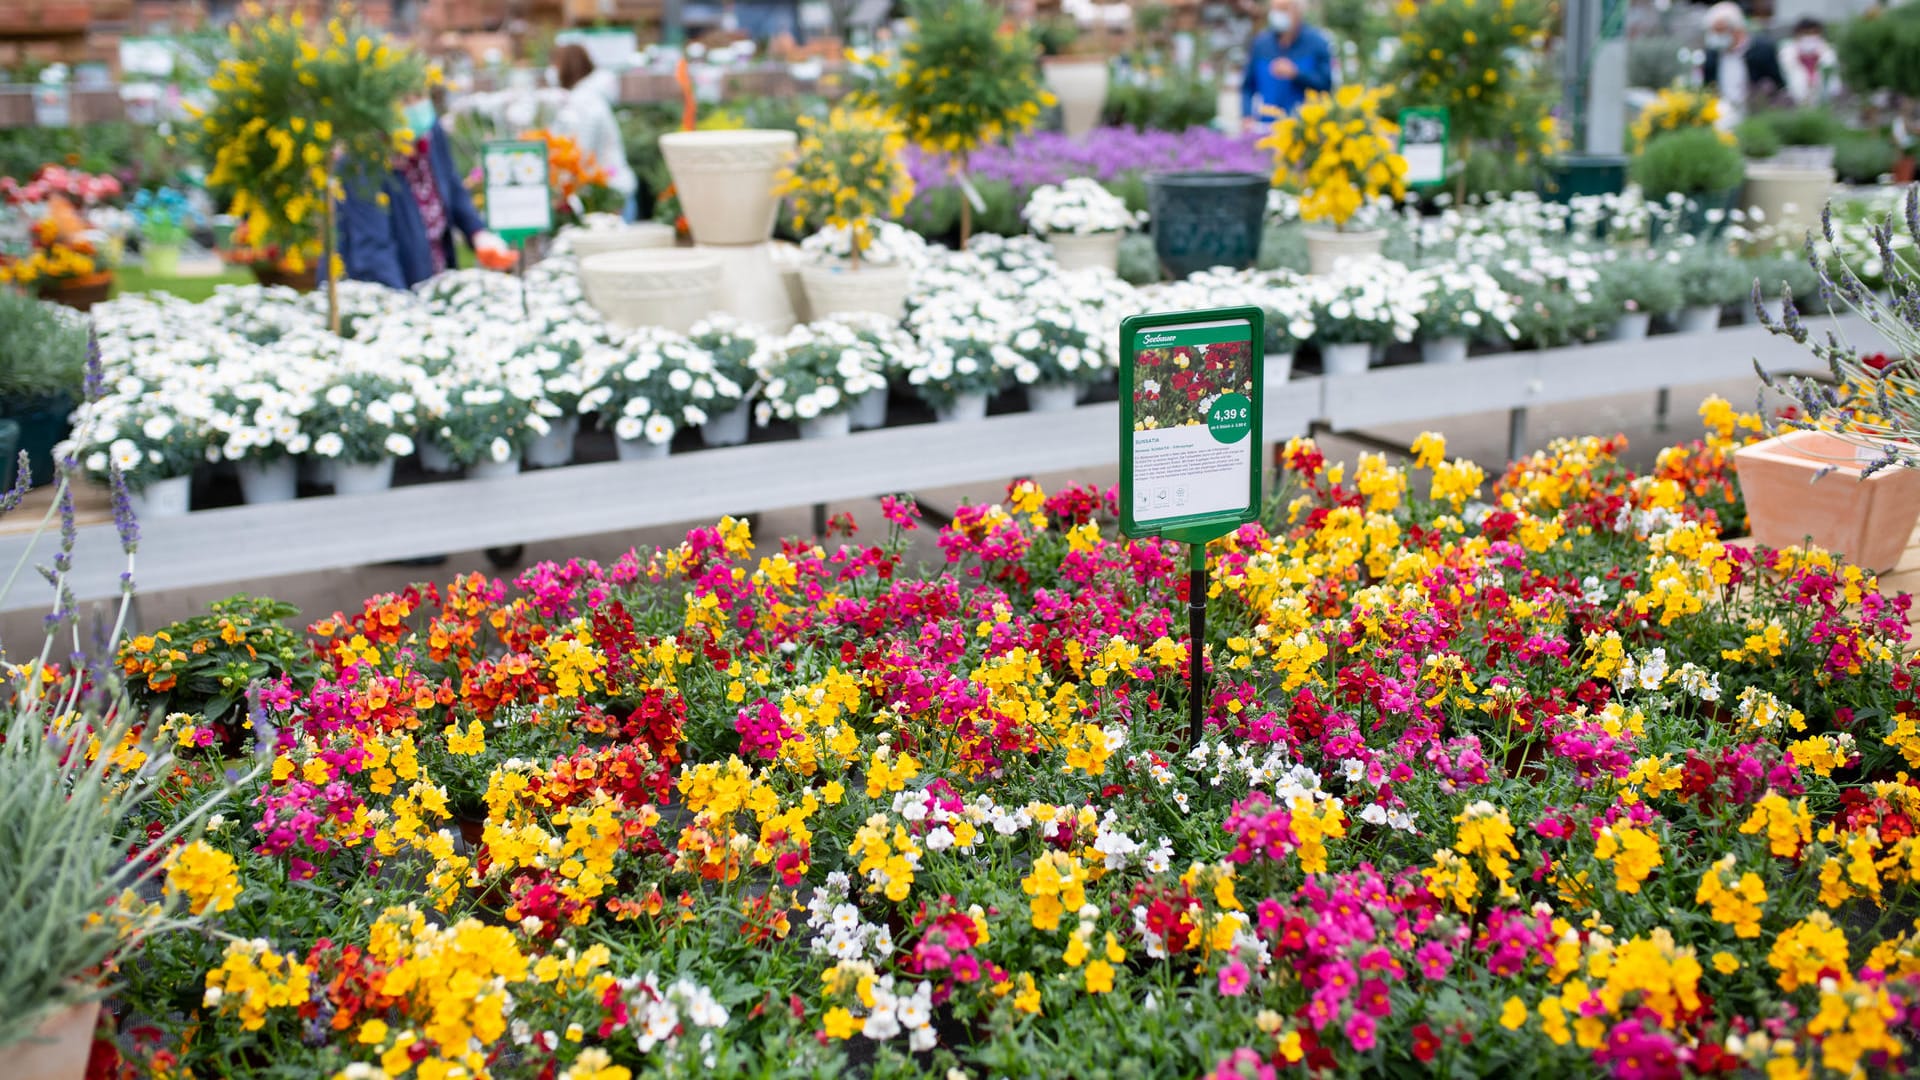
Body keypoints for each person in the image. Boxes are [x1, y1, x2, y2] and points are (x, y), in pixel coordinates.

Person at [336, 92, 504, 289]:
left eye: (419, 96)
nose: (416, 106)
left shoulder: (429, 131)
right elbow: (374, 251)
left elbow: (450, 182)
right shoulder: (361, 161)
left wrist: (477, 233)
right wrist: (403, 309)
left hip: (434, 275)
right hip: (386, 286)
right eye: (406, 99)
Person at [550, 44, 639, 220]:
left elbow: (578, 152)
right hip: (611, 193)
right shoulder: (589, 97)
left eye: (555, 65)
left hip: (609, 198)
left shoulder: (584, 103)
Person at [1239, 0, 1332, 129]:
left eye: (1283, 9)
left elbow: (1326, 85)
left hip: (1304, 129)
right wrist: (1247, 115)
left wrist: (1296, 74)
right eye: (1275, 9)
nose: (1277, 14)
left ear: (1298, 11)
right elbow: (1248, 86)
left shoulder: (1316, 42)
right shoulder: (1261, 44)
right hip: (1266, 127)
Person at [1699, 2, 1783, 125]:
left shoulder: (1762, 50)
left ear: (1736, 29)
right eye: (1713, 31)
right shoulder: (1712, 55)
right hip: (1722, 117)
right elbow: (1707, 87)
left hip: (1756, 115)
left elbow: (1777, 82)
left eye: (1720, 31)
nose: (1716, 36)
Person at [1778, 17, 1839, 106]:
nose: (1810, 37)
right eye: (1806, 33)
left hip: (1825, 101)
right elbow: (1786, 72)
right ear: (1797, 34)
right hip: (1795, 102)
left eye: (1814, 33)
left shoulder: (1828, 51)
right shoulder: (1787, 51)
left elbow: (1832, 74)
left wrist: (1817, 58)